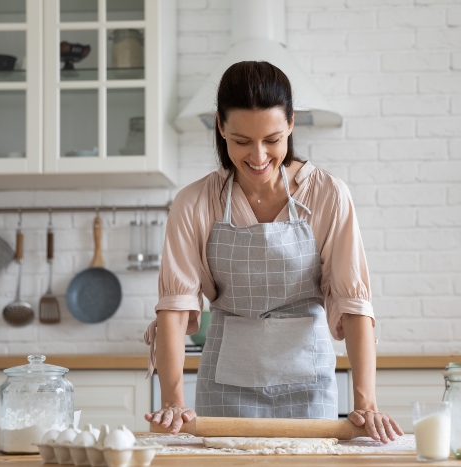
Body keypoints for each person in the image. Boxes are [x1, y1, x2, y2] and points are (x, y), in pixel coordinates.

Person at [143, 61, 403, 443]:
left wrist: (366, 403)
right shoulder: (195, 202)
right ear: (220, 127)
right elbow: (175, 308)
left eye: (272, 139)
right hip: (224, 389)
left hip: (309, 388)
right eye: (241, 141)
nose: (259, 156)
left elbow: (353, 303)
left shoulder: (327, 194)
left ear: (292, 124)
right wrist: (173, 401)